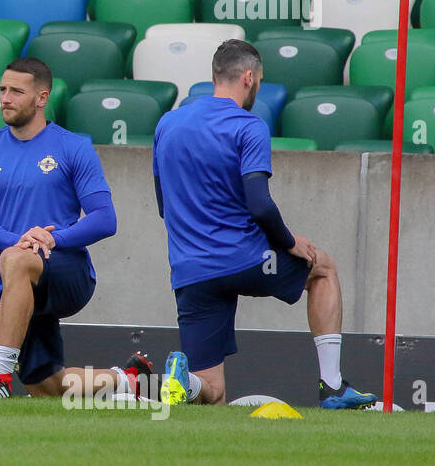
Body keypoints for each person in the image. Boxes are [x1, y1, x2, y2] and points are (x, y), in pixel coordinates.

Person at [152, 39, 377, 408]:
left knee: (212, 389)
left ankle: (184, 381)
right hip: (244, 258)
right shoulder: (249, 125)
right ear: (248, 77)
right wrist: (289, 242)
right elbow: (260, 205)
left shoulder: (167, 124)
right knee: (322, 269)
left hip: (190, 267)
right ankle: (333, 386)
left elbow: (164, 206)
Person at [0, 58, 150, 399]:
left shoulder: (73, 146)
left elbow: (104, 218)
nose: (5, 98)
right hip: (16, 280)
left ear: (41, 98)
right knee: (46, 386)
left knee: (17, 258)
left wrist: (51, 237)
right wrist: (18, 240)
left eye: (16, 91)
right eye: (2, 90)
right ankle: (128, 379)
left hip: (66, 271)